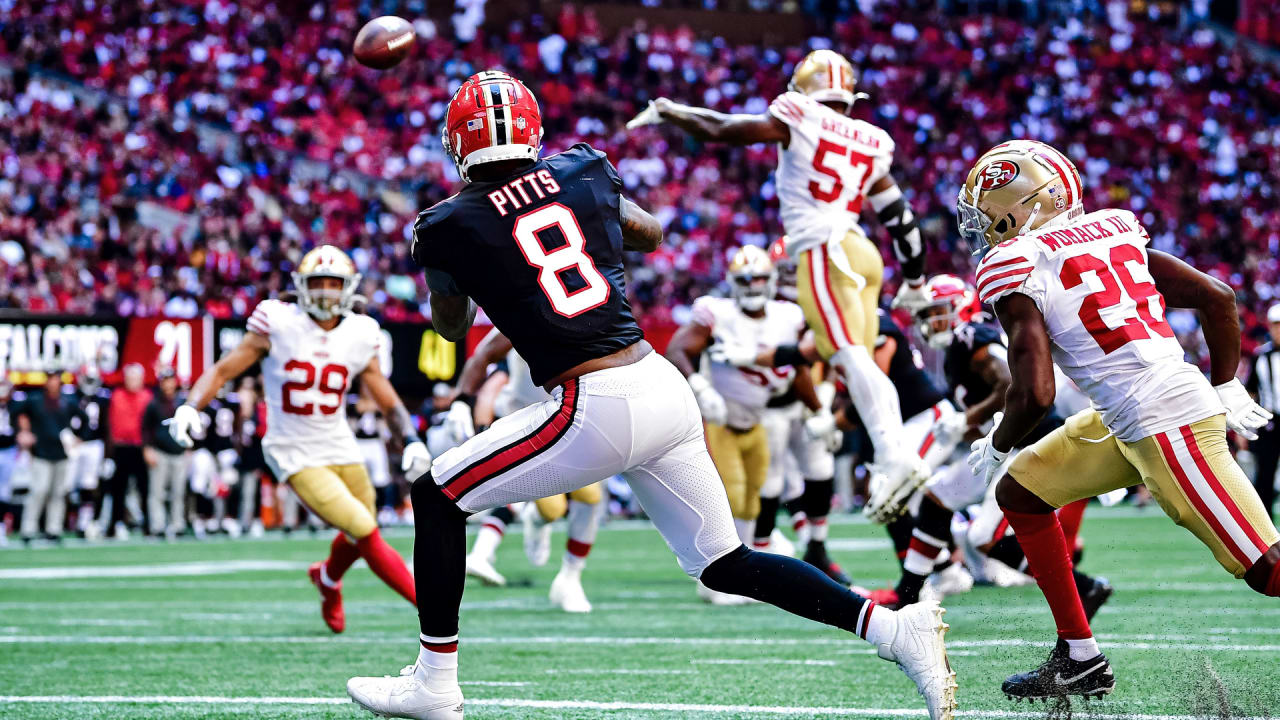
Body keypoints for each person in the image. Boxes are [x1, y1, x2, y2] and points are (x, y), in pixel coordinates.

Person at [345, 70, 955, 720]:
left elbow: (450, 325)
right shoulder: (582, 169)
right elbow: (652, 231)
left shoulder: (446, 223)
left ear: (456, 142)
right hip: (659, 385)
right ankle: (894, 630)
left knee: (438, 495)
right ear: (532, 130)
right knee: (725, 561)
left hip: (593, 400)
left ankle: (435, 685)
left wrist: (461, 262)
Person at [959, 139, 1280, 701]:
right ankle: (1080, 658)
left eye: (986, 213)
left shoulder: (1015, 262)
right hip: (1125, 417)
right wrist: (1226, 382)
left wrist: (997, 441)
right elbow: (1219, 297)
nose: (981, 227)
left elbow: (1034, 392)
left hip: (1165, 420)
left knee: (1268, 571)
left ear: (1023, 204)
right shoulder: (1114, 231)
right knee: (1024, 494)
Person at [629, 49, 931, 512]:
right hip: (863, 252)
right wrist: (913, 277)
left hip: (823, 250)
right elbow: (900, 217)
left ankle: (894, 455)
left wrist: (672, 111)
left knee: (850, 357)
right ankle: (895, 454)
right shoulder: (873, 139)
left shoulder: (799, 113)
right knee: (858, 359)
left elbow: (722, 130)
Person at [168, 245, 432, 633]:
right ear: (301, 287)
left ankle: (327, 577)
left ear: (349, 288)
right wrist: (191, 405)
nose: (326, 291)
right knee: (364, 528)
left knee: (363, 524)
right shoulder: (278, 321)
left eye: (333, 283)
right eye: (318, 283)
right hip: (293, 450)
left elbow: (384, 393)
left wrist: (410, 438)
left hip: (339, 441)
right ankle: (432, 610)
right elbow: (223, 371)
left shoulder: (361, 331)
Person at [666, 244, 843, 596]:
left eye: (759, 278)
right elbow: (677, 350)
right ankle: (713, 578)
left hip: (757, 419)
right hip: (723, 419)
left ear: (771, 280)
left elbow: (798, 369)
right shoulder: (716, 312)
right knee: (732, 495)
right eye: (744, 280)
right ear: (732, 282)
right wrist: (700, 386)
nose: (752, 286)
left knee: (754, 499)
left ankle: (735, 574)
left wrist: (819, 411)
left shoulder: (787, 316)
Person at [454, 327, 606, 613]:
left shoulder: (587, 320)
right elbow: (489, 369)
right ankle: (535, 520)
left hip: (572, 415)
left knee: (591, 497)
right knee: (550, 510)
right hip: (529, 421)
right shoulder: (522, 314)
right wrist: (466, 409)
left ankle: (571, 577)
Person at [14, 373, 75, 544]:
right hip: (41, 452)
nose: (52, 382)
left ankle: (53, 529)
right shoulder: (35, 400)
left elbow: (83, 420)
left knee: (58, 493)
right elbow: (20, 414)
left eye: (55, 378)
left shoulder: (68, 400)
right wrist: (24, 431)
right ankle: (28, 529)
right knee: (38, 490)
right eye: (50, 378)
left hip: (62, 453)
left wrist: (78, 438)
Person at [106, 363, 151, 540]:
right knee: (118, 489)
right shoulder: (117, 396)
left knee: (145, 489)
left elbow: (151, 425)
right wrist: (108, 454)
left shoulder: (147, 397)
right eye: (130, 377)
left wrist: (149, 447)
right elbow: (109, 424)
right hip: (121, 447)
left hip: (141, 448)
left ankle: (148, 524)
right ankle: (115, 524)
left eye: (136, 378)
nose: (133, 381)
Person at [144, 367, 189, 539]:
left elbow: (190, 427)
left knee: (178, 492)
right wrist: (147, 449)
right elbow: (146, 429)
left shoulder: (182, 402)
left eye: (170, 380)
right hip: (160, 451)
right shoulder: (154, 403)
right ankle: (158, 526)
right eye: (165, 380)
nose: (168, 384)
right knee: (157, 492)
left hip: (179, 450)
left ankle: (178, 525)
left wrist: (189, 448)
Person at [1245, 302, 1280, 518]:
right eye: (1276, 325)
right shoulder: (1261, 356)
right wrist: (1248, 425)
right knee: (1265, 476)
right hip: (1271, 421)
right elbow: (1250, 392)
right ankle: (1266, 530)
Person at [67, 366, 109, 539]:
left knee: (89, 485)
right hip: (72, 444)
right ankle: (65, 520)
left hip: (93, 445)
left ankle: (84, 522)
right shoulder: (70, 396)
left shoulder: (102, 399)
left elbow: (106, 427)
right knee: (67, 485)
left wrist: (108, 455)